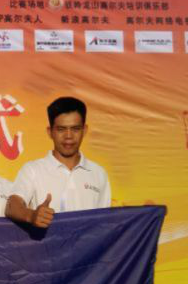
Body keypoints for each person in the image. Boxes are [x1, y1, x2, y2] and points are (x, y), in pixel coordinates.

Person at [6, 96, 110, 228]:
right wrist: (31, 215)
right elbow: (11, 206)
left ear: (85, 130)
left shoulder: (99, 173)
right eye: (61, 129)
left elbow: (104, 223)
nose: (68, 136)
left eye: (75, 129)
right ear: (50, 132)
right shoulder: (32, 169)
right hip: (46, 242)